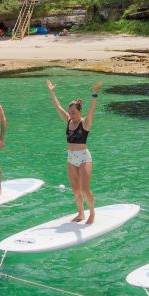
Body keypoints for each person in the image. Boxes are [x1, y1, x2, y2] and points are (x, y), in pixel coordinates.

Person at [46, 79, 102, 224]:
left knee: (85, 189)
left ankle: (92, 213)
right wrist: (52, 92)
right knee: (76, 190)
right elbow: (57, 107)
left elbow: (92, 110)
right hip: (71, 158)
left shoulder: (85, 123)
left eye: (73, 112)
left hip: (84, 158)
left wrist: (94, 93)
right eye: (70, 112)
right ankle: (81, 214)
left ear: (79, 111)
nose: (71, 115)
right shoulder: (68, 121)